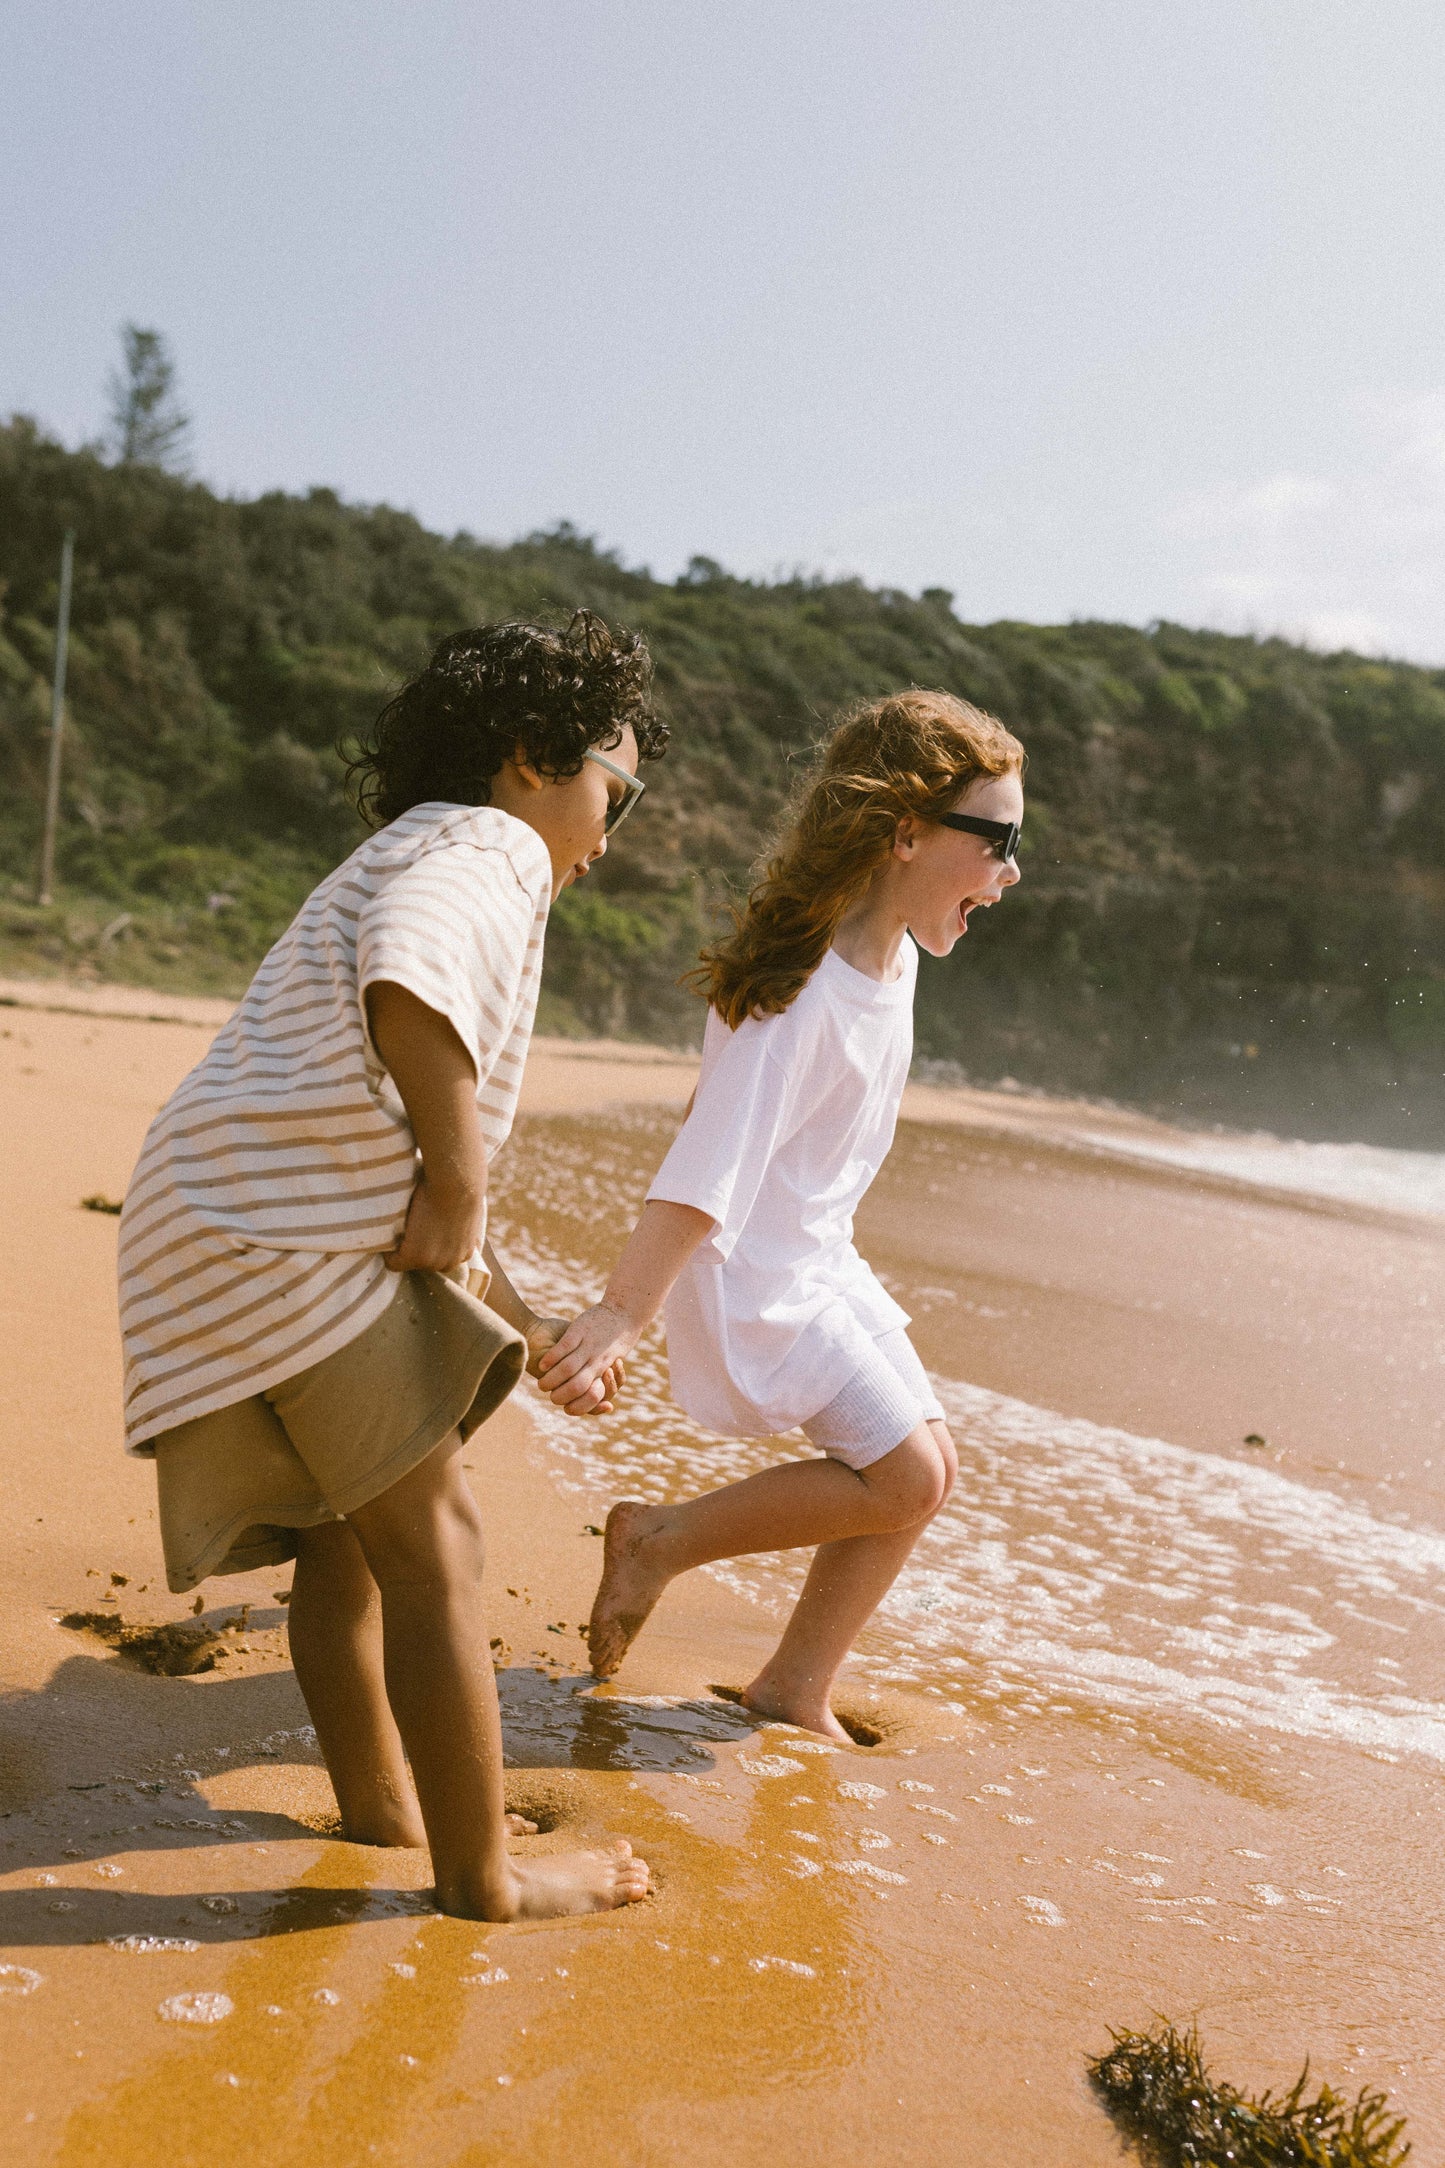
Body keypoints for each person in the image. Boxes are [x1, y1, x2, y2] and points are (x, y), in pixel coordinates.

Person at [117, 613, 664, 1919]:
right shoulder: (487, 850)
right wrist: (459, 1170)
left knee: (342, 1544)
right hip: (279, 1233)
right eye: (618, 791)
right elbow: (408, 980)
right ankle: (485, 1880)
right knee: (437, 1542)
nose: (610, 832)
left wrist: (521, 1324)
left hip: (201, 1220)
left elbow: (417, 1219)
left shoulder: (403, 844)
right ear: (532, 759)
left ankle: (378, 1805)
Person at [539, 689, 1025, 1740]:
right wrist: (623, 1313)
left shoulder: (886, 953)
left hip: (816, 1250)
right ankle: (656, 1539)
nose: (1010, 871)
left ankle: (793, 1683)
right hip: (754, 1261)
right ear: (904, 832)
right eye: (996, 841)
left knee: (928, 1467)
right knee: (896, 1473)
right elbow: (703, 1159)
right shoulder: (802, 989)